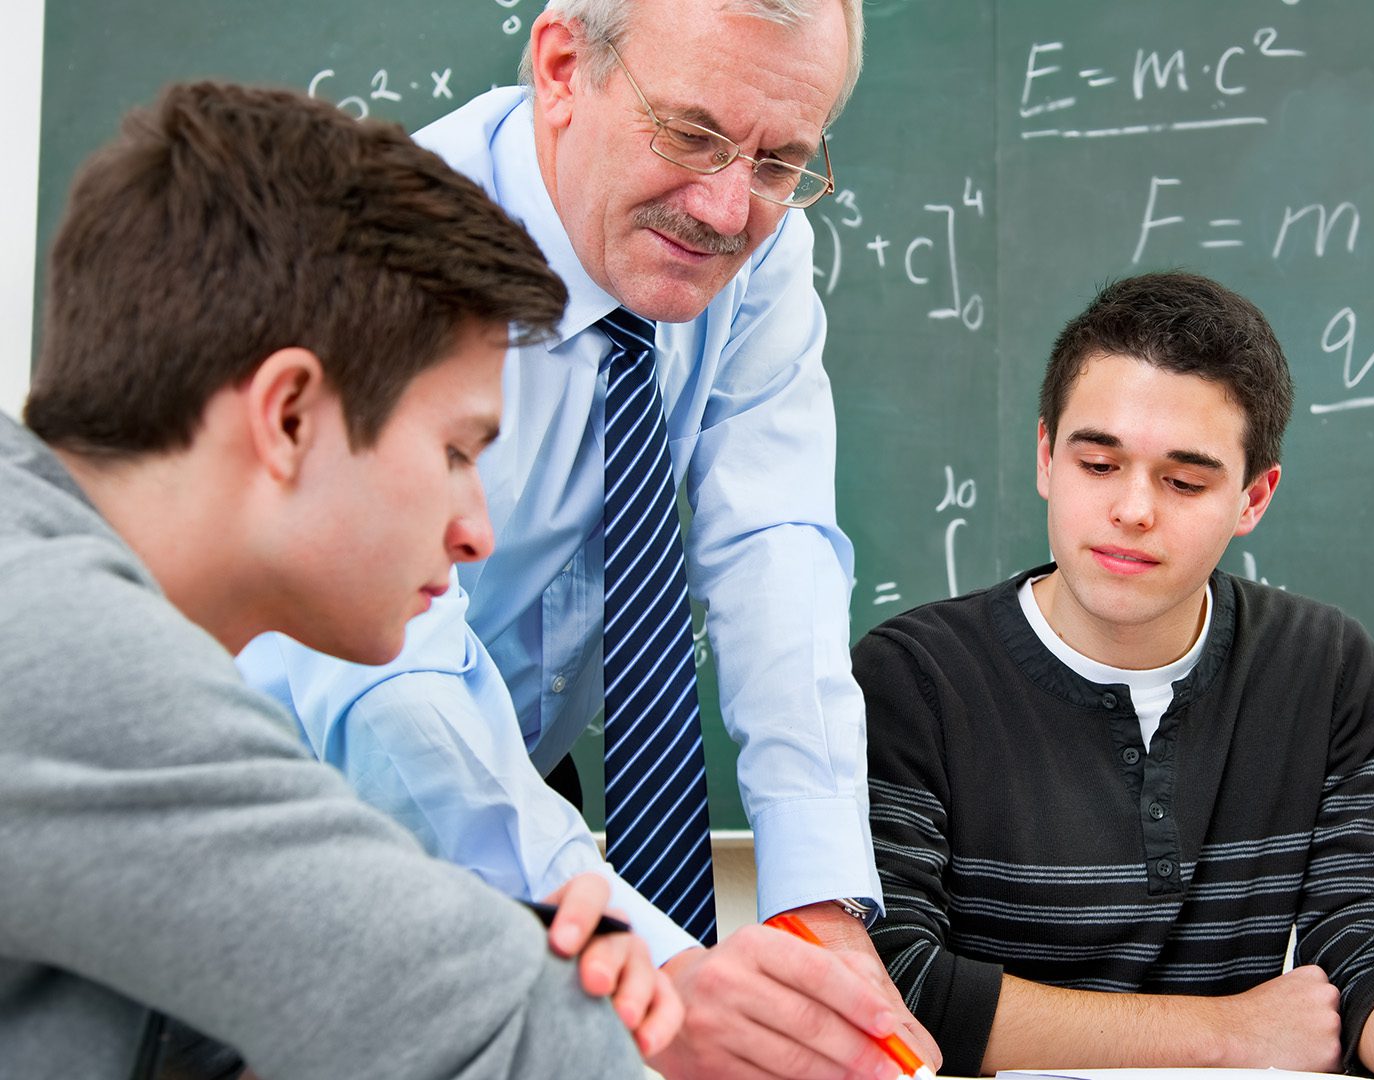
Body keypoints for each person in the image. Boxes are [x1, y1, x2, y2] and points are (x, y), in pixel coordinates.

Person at [234, 1, 935, 1076]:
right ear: (561, 67)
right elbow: (391, 689)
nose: (724, 207)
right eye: (692, 134)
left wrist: (817, 907)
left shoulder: (755, 234)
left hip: (523, 768)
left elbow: (775, 545)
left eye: (781, 160)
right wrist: (653, 970)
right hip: (297, 781)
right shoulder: (384, 250)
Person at [1, 80, 690, 1079]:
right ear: (287, 416)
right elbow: (540, 1051)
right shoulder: (74, 657)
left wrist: (516, 957)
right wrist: (541, 992)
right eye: (458, 451)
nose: (476, 533)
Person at [856, 272, 1374, 1078]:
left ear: (1254, 498)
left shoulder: (1325, 669)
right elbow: (888, 981)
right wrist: (1228, 1033)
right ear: (1047, 456)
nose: (1135, 510)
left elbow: (1373, 929)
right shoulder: (913, 679)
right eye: (1099, 464)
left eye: (1184, 482)